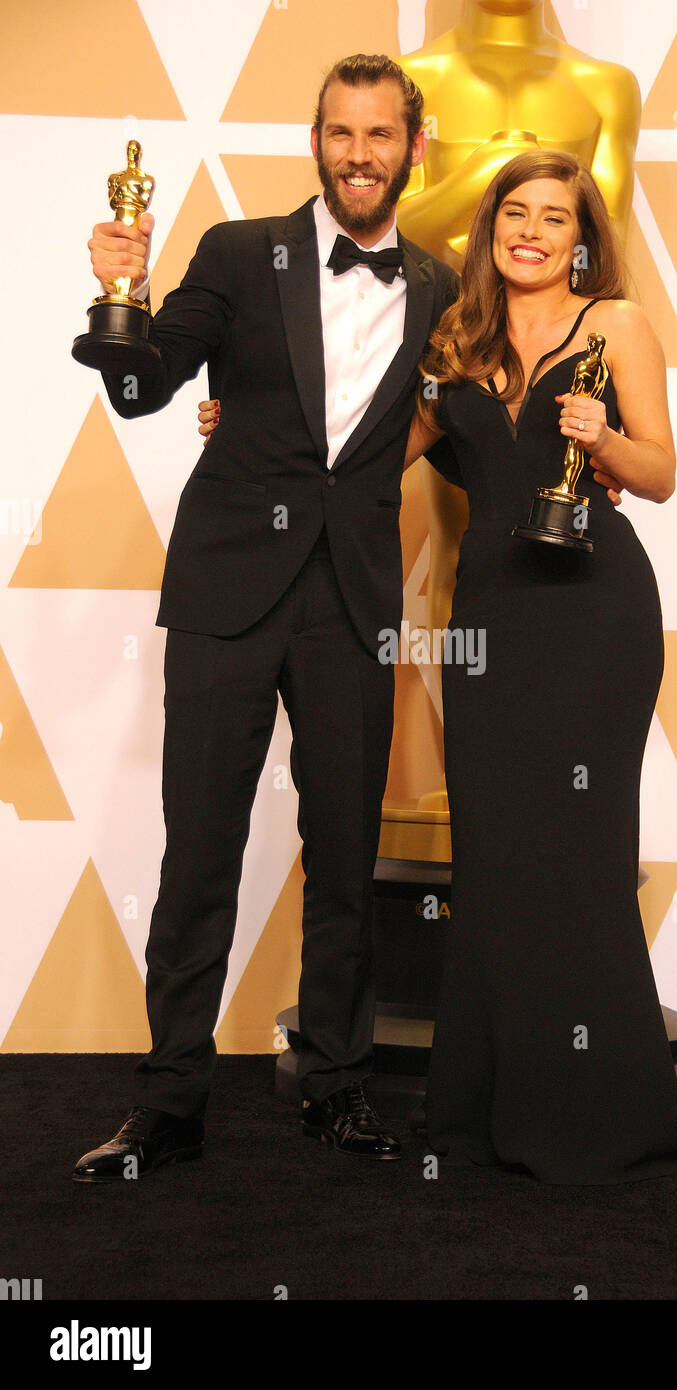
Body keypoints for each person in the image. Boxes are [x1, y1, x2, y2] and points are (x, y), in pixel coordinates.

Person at [72, 54, 462, 1181]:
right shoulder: (241, 252)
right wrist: (118, 299)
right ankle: (168, 1104)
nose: (357, 154)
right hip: (226, 594)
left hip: (350, 602)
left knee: (344, 860)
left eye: (379, 135)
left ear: (411, 147)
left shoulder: (435, 288)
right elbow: (148, 386)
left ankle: (337, 1089)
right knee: (199, 850)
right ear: (315, 140)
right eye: (339, 133)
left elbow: (442, 419)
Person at [407, 149, 677, 1184]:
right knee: (493, 855)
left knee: (578, 850)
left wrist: (606, 439)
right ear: (486, 232)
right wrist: (243, 429)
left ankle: (595, 1114)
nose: (529, 230)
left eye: (552, 218)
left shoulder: (614, 325)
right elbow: (365, 455)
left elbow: (660, 472)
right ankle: (484, 1108)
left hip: (596, 619)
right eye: (511, 213)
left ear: (582, 238)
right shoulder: (453, 342)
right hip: (488, 621)